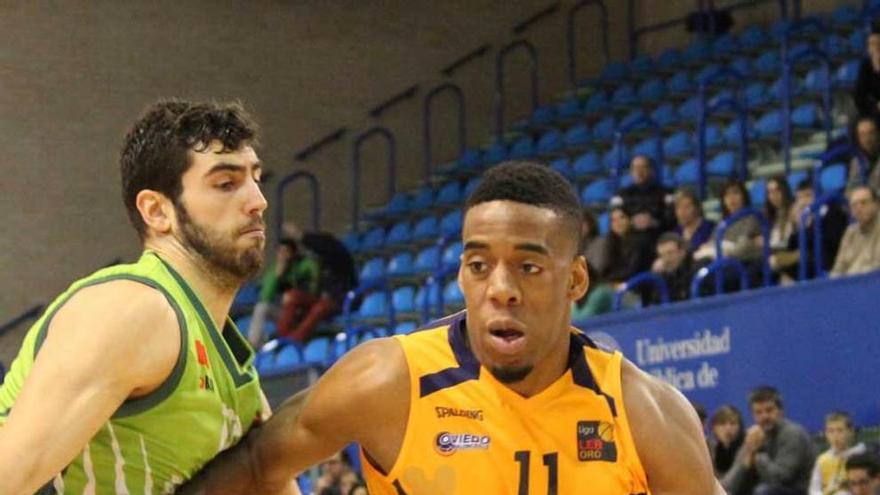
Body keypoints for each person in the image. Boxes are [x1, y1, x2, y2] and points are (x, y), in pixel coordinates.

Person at [180, 161, 724, 494]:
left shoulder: (641, 411)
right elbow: (254, 466)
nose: (501, 288)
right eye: (479, 265)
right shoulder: (389, 380)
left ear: (576, 279)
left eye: (529, 267)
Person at [0, 100, 296, 494]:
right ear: (157, 211)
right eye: (226, 184)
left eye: (256, 179)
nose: (258, 200)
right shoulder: (133, 311)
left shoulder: (237, 375)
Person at [723, 386, 816, 495]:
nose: (765, 416)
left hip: (798, 489)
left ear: (780, 411)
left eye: (769, 410)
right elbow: (729, 483)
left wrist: (756, 456)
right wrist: (748, 456)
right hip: (767, 488)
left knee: (763, 492)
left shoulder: (792, 433)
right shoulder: (755, 435)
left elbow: (781, 478)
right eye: (758, 412)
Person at [771, 179, 849, 282]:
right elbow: (792, 245)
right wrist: (796, 226)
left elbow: (831, 240)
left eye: (808, 196)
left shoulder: (831, 210)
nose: (803, 202)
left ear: (819, 195)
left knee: (795, 266)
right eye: (799, 197)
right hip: (809, 258)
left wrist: (807, 227)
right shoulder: (804, 216)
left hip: (827, 259)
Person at [610, 155, 676, 238]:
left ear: (651, 170)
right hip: (631, 238)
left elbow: (672, 220)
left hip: (658, 237)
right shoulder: (620, 195)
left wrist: (654, 222)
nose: (639, 171)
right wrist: (631, 222)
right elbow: (615, 220)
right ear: (631, 172)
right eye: (635, 168)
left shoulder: (667, 192)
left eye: (643, 167)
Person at [809, 411, 867, 495]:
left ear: (851, 431)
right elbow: (814, 490)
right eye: (830, 431)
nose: (835, 436)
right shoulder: (822, 460)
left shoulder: (862, 455)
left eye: (840, 430)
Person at [831, 186, 880, 277]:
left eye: (863, 203)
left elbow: (876, 268)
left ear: (876, 204)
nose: (858, 208)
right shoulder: (850, 233)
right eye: (854, 205)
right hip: (850, 287)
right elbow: (838, 269)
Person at [602, 206, 656, 285]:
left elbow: (631, 270)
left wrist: (608, 280)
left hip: (637, 284)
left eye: (622, 218)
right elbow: (607, 268)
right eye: (613, 220)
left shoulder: (640, 241)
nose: (618, 222)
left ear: (629, 220)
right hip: (616, 283)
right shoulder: (612, 243)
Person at [651, 232, 695, 303]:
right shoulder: (662, 275)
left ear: (682, 252)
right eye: (662, 255)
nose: (666, 259)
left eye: (670, 253)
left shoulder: (695, 269)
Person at [673, 188, 715, 254]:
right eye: (678, 207)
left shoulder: (709, 227)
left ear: (697, 208)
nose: (682, 211)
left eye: (687, 207)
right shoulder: (676, 232)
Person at [709, 405, 745, 481]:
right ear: (714, 428)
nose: (728, 428)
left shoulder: (745, 447)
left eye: (733, 423)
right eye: (722, 424)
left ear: (740, 427)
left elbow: (732, 482)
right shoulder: (712, 449)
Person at [854, 25, 880, 120]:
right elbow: (859, 98)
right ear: (868, 49)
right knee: (858, 125)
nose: (877, 47)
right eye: (873, 44)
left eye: (879, 43)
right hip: (873, 111)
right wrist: (875, 106)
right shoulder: (865, 66)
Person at [764, 176, 796, 254]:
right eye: (770, 192)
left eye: (777, 190)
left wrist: (766, 243)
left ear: (785, 190)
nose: (774, 195)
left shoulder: (794, 211)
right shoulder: (768, 215)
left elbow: (787, 242)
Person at [848, 116, 880, 191]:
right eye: (862, 135)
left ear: (878, 134)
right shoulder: (856, 162)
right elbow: (849, 191)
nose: (867, 139)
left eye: (871, 133)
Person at [580, 207, 609, 275]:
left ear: (590, 223)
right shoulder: (575, 243)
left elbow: (597, 268)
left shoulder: (600, 242)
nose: (580, 227)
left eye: (583, 223)